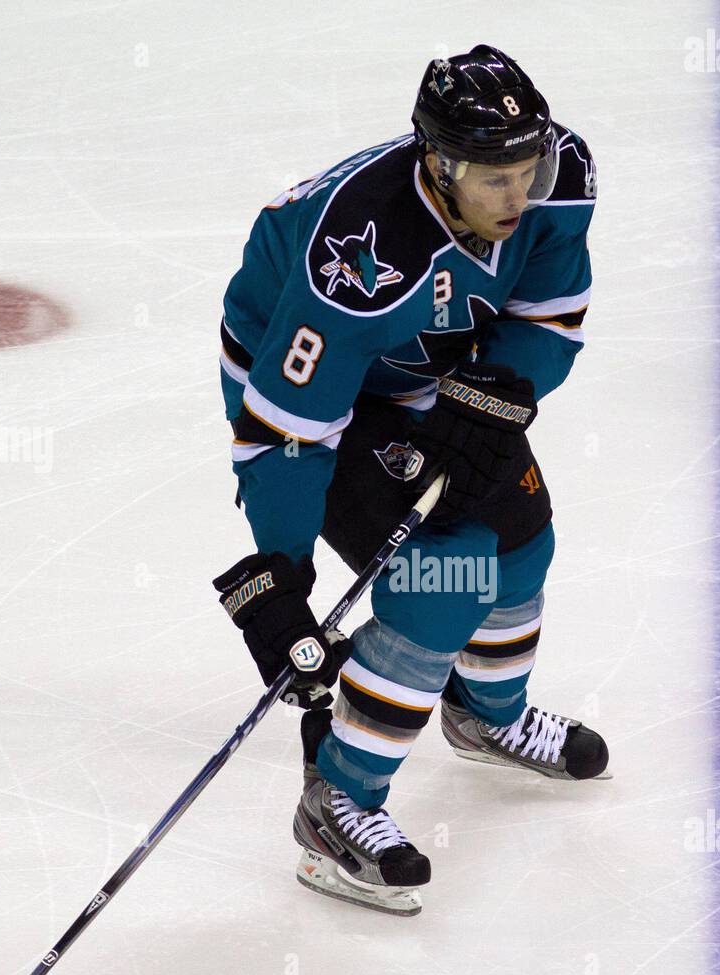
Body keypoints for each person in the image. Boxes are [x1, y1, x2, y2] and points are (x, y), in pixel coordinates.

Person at [213, 44, 609, 916]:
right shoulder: (354, 255)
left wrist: (501, 388)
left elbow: (549, 314)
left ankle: (487, 714)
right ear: (437, 162)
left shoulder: (561, 172)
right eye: (493, 176)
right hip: (314, 391)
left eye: (527, 166)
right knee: (445, 579)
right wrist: (282, 571)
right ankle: (338, 802)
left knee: (521, 541)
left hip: (433, 377)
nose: (519, 193)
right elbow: (291, 428)